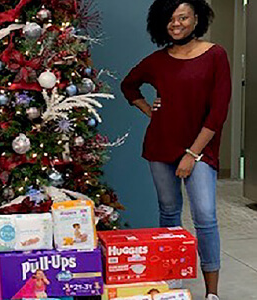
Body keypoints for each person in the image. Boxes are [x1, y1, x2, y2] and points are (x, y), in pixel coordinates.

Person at [121, 1, 231, 300]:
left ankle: (212, 293)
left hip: (199, 151)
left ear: (196, 18)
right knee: (169, 214)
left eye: (182, 17)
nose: (176, 24)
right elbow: (128, 85)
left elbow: (217, 114)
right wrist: (149, 109)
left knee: (205, 217)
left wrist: (191, 154)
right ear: (161, 24)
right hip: (161, 146)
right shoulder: (157, 61)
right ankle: (174, 285)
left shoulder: (215, 55)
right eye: (170, 19)